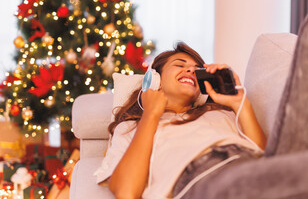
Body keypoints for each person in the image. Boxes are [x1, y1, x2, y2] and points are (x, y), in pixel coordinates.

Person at [94, 42, 266, 199]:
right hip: (202, 180)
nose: (191, 70)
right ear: (156, 80)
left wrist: (239, 102)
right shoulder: (132, 127)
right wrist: (151, 114)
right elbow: (126, 192)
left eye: (196, 69)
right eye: (180, 65)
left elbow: (263, 154)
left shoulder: (222, 113)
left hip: (251, 168)